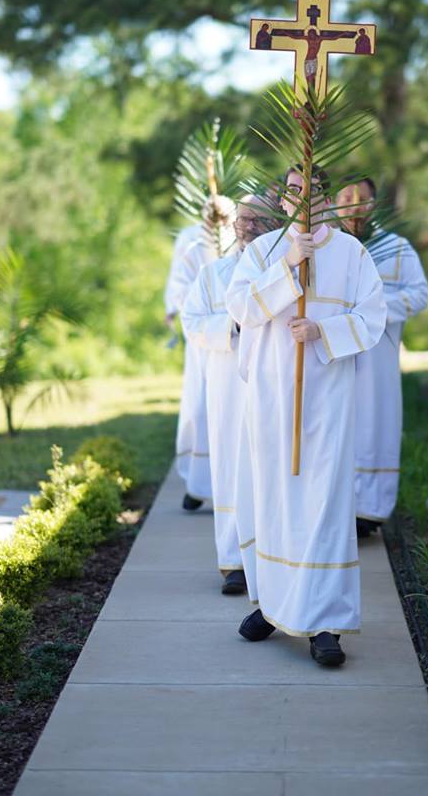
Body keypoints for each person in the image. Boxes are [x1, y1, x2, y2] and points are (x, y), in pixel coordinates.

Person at [225, 165, 386, 667]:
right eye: (292, 190)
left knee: (323, 505)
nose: (300, 198)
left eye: (310, 189)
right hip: (272, 398)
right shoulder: (263, 250)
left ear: (325, 196)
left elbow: (372, 317)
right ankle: (274, 606)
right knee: (274, 500)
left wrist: (322, 332)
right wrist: (287, 266)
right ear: (283, 198)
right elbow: (240, 307)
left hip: (327, 402)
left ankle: (325, 622)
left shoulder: (352, 254)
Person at [180, 197, 270, 595]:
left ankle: (271, 559)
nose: (249, 226)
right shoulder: (213, 274)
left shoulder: (284, 271)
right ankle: (234, 561)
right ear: (233, 225)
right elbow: (192, 322)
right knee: (232, 468)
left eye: (259, 219)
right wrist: (233, 325)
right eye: (244, 219)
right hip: (229, 389)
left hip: (274, 388)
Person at [335, 177, 428, 536]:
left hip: (377, 355)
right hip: (332, 351)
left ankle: (369, 510)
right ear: (334, 202)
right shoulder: (326, 247)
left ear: (373, 204)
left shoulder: (396, 247)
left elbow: (419, 294)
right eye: (346, 196)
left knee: (374, 424)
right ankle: (335, 507)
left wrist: (373, 308)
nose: (353, 204)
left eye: (361, 198)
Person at [164, 222, 212, 511]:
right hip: (204, 335)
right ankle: (199, 482)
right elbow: (179, 284)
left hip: (242, 336)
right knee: (199, 407)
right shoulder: (192, 238)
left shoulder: (257, 237)